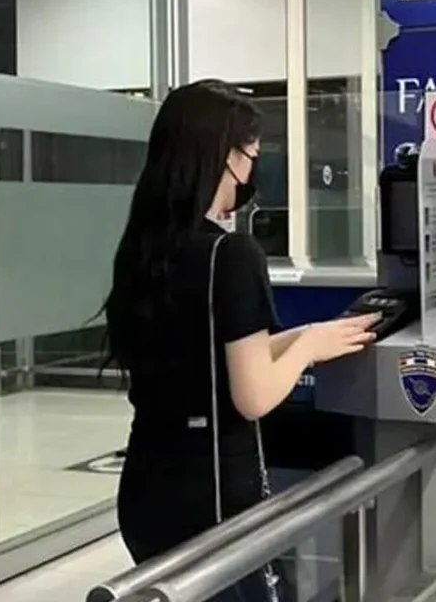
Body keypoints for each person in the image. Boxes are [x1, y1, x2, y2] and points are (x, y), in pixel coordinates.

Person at [102, 80, 379, 601]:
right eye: (251, 154)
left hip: (146, 485)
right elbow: (252, 397)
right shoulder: (231, 254)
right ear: (225, 158)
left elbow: (200, 358)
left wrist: (308, 336)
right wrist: (306, 350)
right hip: (213, 491)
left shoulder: (142, 250)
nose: (252, 170)